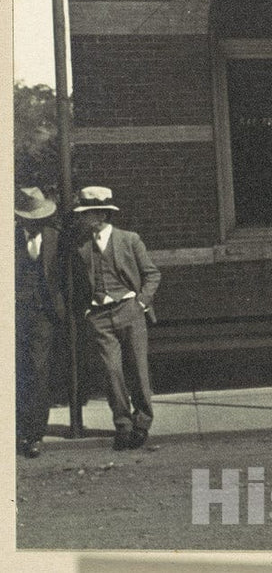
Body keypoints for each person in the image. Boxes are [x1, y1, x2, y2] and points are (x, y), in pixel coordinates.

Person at [71, 186, 161, 451]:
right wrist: (86, 310)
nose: (82, 219)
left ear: (100, 215)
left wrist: (141, 303)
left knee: (137, 370)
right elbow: (77, 283)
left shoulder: (129, 240)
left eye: (86, 214)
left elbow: (152, 274)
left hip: (128, 311)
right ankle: (123, 425)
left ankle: (142, 423)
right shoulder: (81, 246)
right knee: (111, 372)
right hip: (99, 316)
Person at [14, 187, 67, 458]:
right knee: (16, 371)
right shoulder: (9, 238)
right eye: (30, 219)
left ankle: (34, 434)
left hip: (44, 315)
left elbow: (69, 275)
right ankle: (17, 430)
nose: (35, 223)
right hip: (14, 315)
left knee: (38, 369)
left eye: (38, 219)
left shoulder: (55, 237)